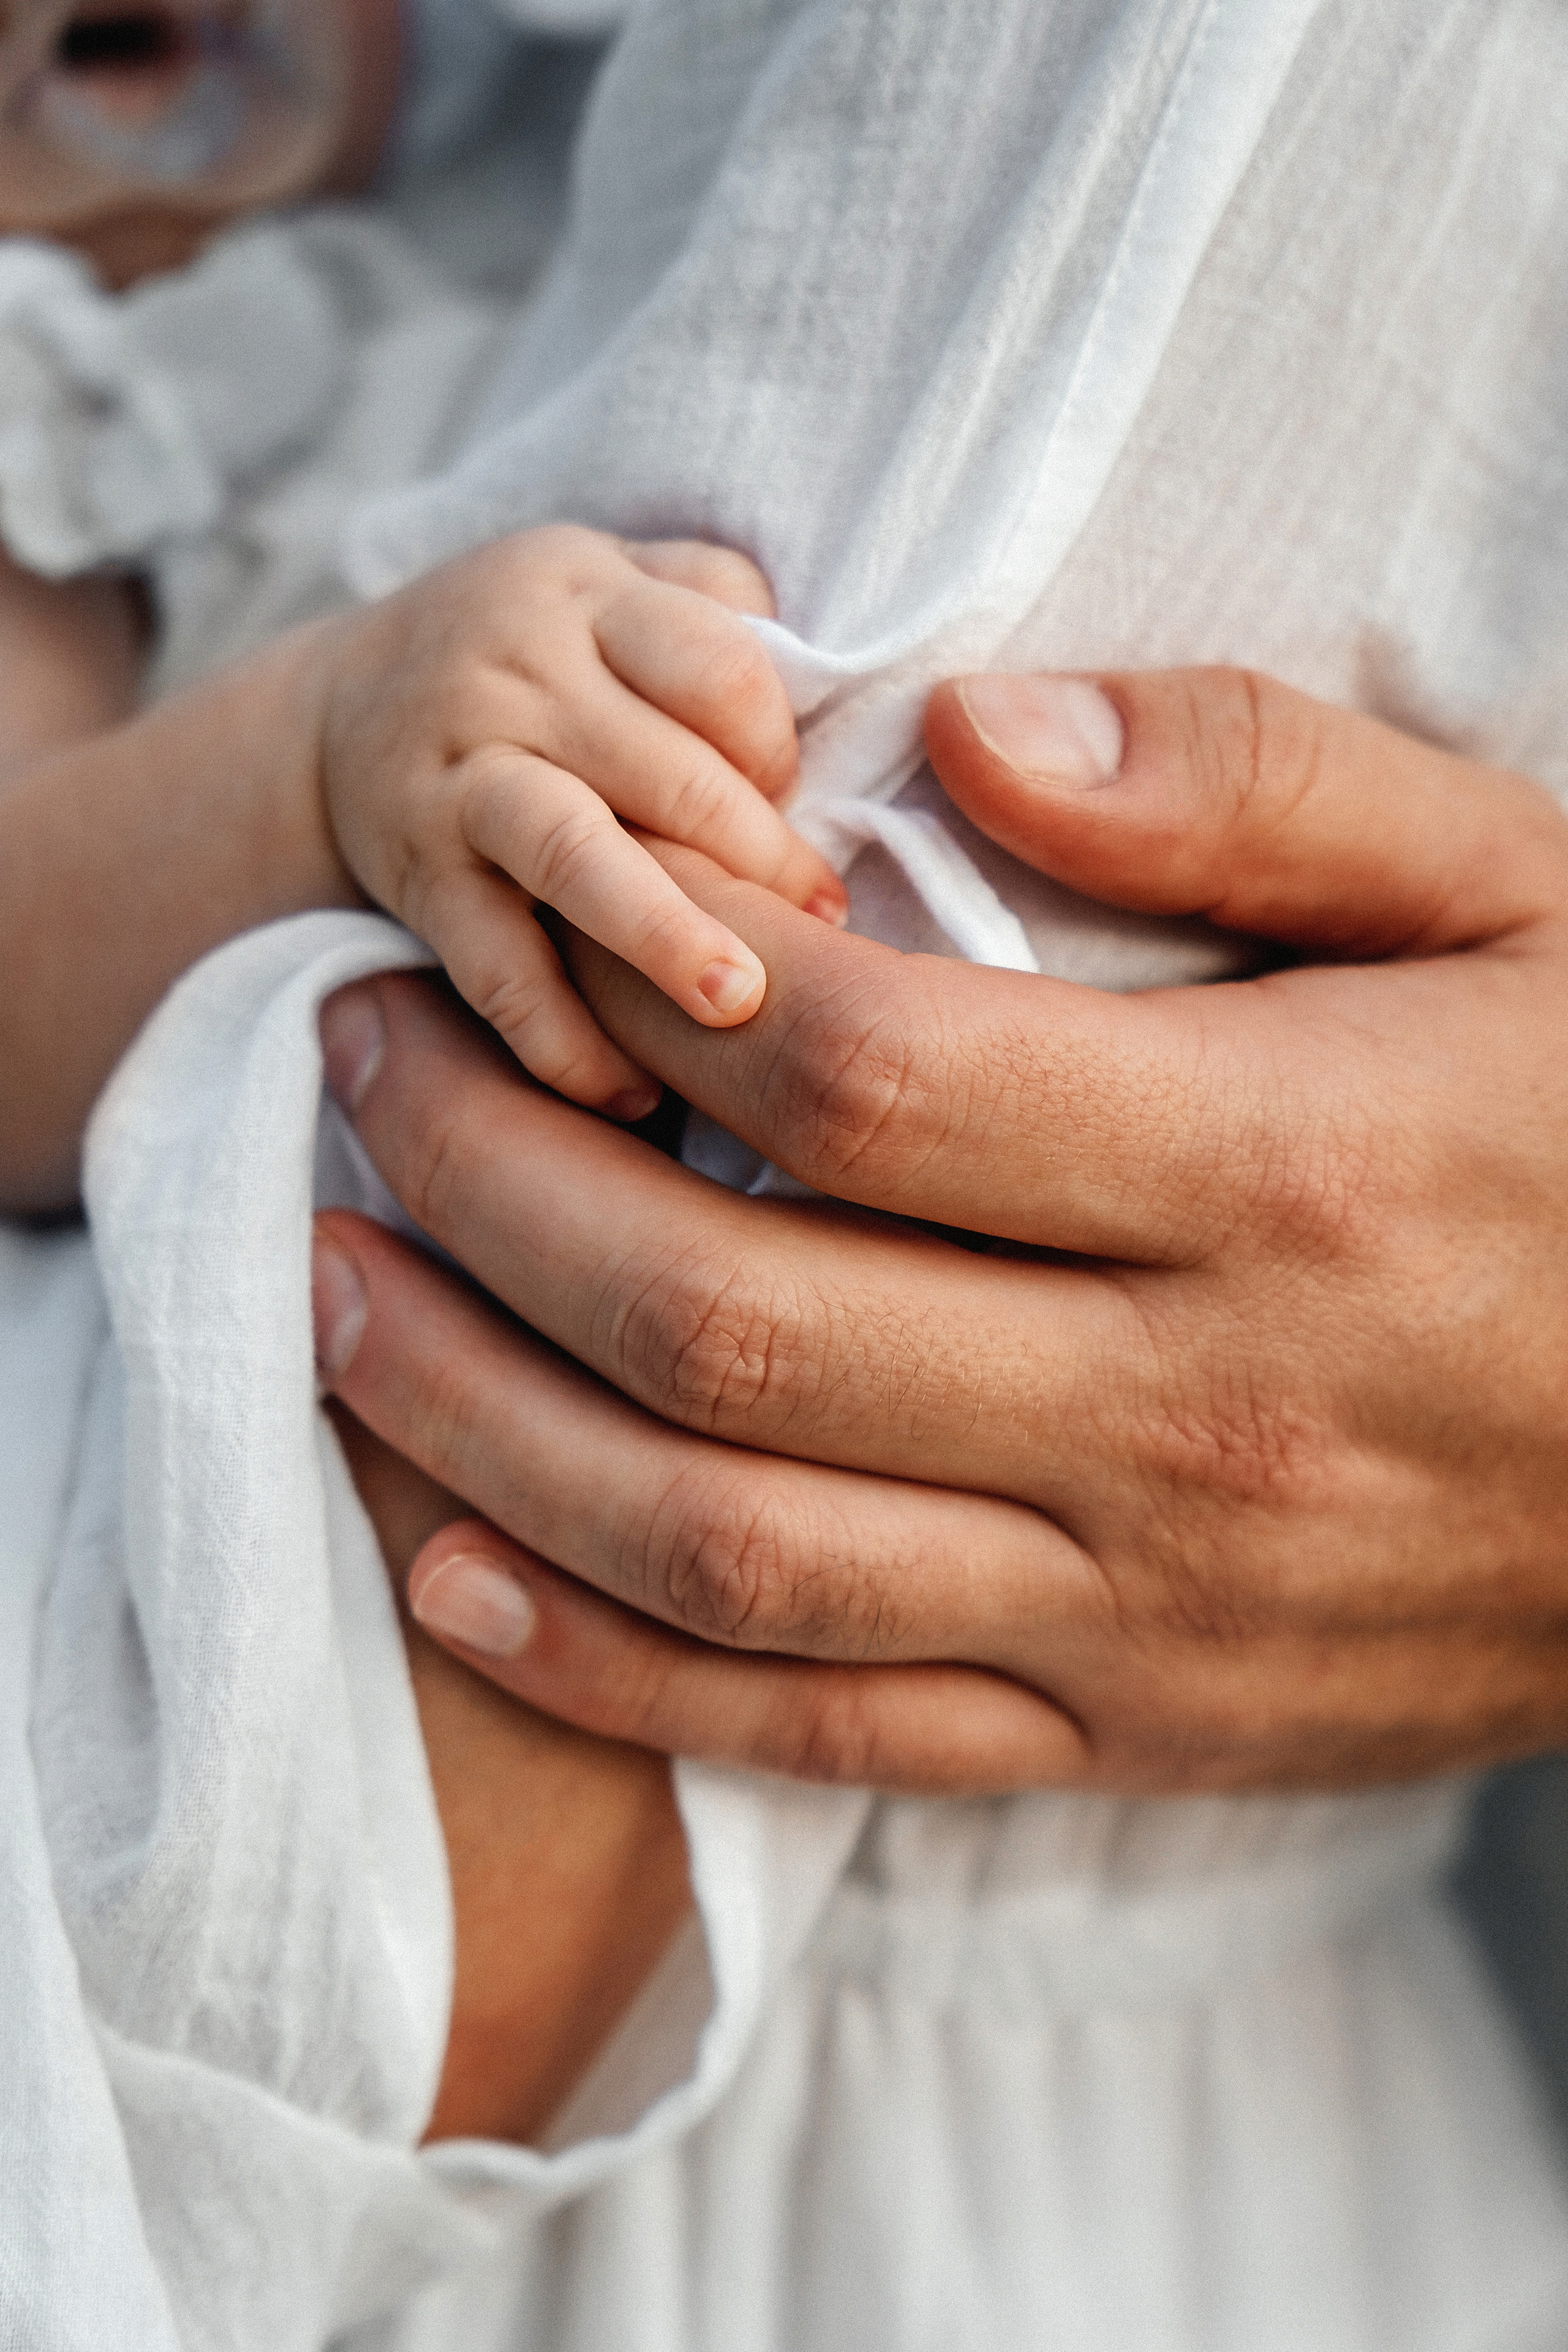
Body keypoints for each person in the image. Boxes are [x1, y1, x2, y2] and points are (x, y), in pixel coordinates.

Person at [8, 2, 1568, 2350]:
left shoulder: (481, 221)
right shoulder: (96, 402)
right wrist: (309, 756)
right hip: (625, 2082)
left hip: (1211, 2085)